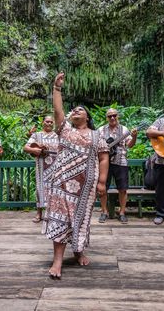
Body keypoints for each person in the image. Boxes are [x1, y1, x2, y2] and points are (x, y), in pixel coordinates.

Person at [42, 72, 109, 279]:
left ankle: (79, 251)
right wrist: (57, 88)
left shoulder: (97, 136)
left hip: (85, 186)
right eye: (74, 110)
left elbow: (104, 158)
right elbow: (57, 109)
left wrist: (102, 182)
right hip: (61, 184)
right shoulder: (65, 130)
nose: (75, 111)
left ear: (87, 117)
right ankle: (58, 261)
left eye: (80, 109)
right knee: (60, 219)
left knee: (81, 220)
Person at [98, 108, 137, 223]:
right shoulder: (101, 130)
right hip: (105, 162)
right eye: (110, 116)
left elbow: (129, 145)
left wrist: (134, 136)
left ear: (117, 116)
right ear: (107, 117)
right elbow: (96, 145)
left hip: (121, 162)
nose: (112, 118)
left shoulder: (124, 129)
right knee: (103, 188)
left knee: (123, 189)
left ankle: (122, 213)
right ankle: (104, 212)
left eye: (114, 115)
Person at [24, 116, 58, 222]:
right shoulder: (36, 135)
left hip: (55, 167)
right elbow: (26, 147)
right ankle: (39, 213)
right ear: (43, 122)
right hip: (41, 167)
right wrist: (35, 150)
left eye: (51, 122)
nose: (49, 123)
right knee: (40, 189)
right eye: (47, 121)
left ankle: (52, 214)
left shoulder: (57, 135)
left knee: (54, 190)